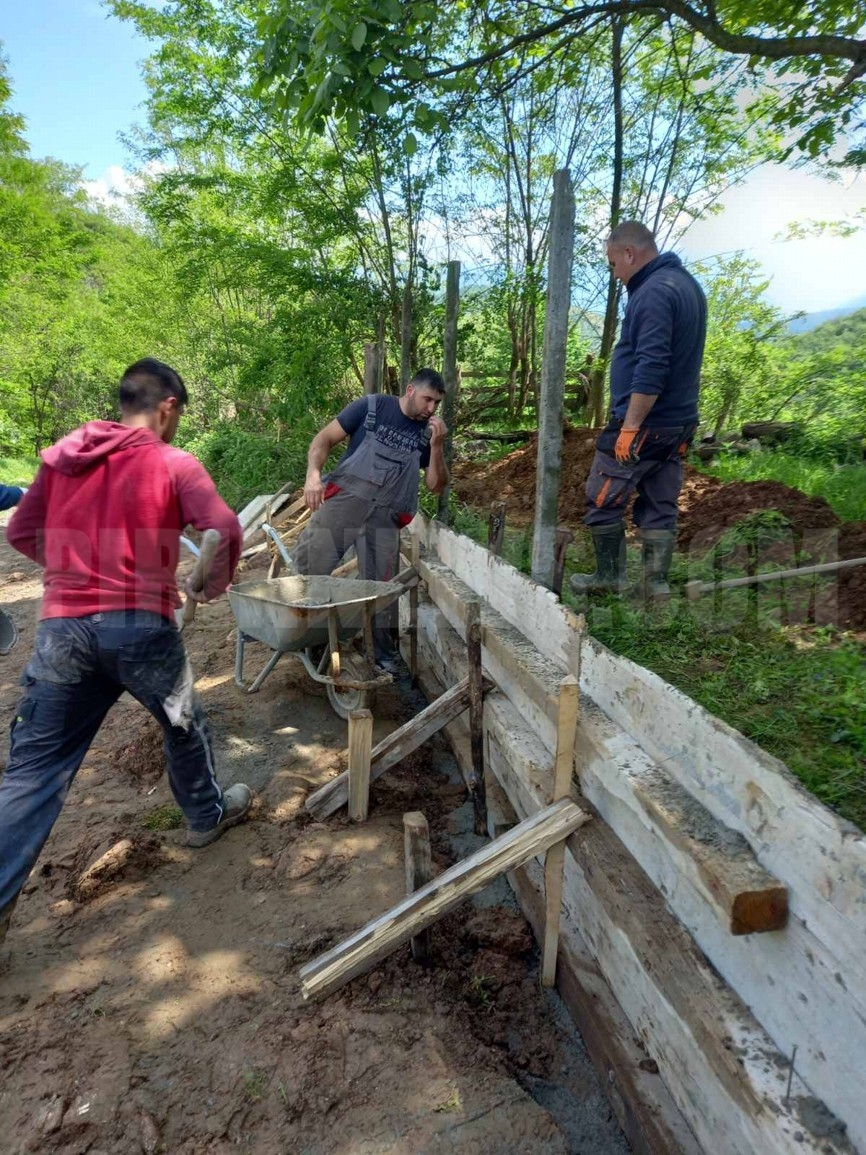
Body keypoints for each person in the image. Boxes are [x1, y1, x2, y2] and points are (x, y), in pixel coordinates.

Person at [0, 358, 250, 949]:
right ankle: (205, 818)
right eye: (180, 416)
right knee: (183, 723)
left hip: (62, 631)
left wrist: (73, 573)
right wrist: (210, 586)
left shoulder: (63, 457)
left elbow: (19, 534)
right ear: (168, 408)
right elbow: (225, 526)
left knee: (33, 770)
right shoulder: (170, 461)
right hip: (139, 627)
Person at [571, 221, 707, 599]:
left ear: (629, 254)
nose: (615, 273)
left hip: (645, 423)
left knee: (602, 499)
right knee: (659, 500)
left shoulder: (653, 293)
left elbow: (652, 366)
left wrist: (629, 428)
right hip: (678, 424)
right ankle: (654, 583)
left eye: (613, 264)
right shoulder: (687, 286)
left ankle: (609, 578)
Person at [296, 368, 449, 668]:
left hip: (385, 518)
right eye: (427, 399)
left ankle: (380, 655)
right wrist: (313, 476)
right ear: (409, 390)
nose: (431, 409)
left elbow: (437, 486)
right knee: (310, 567)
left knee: (381, 590)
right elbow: (323, 439)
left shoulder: (429, 435)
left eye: (436, 404)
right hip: (344, 504)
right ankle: (304, 639)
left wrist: (437, 447)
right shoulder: (371, 408)